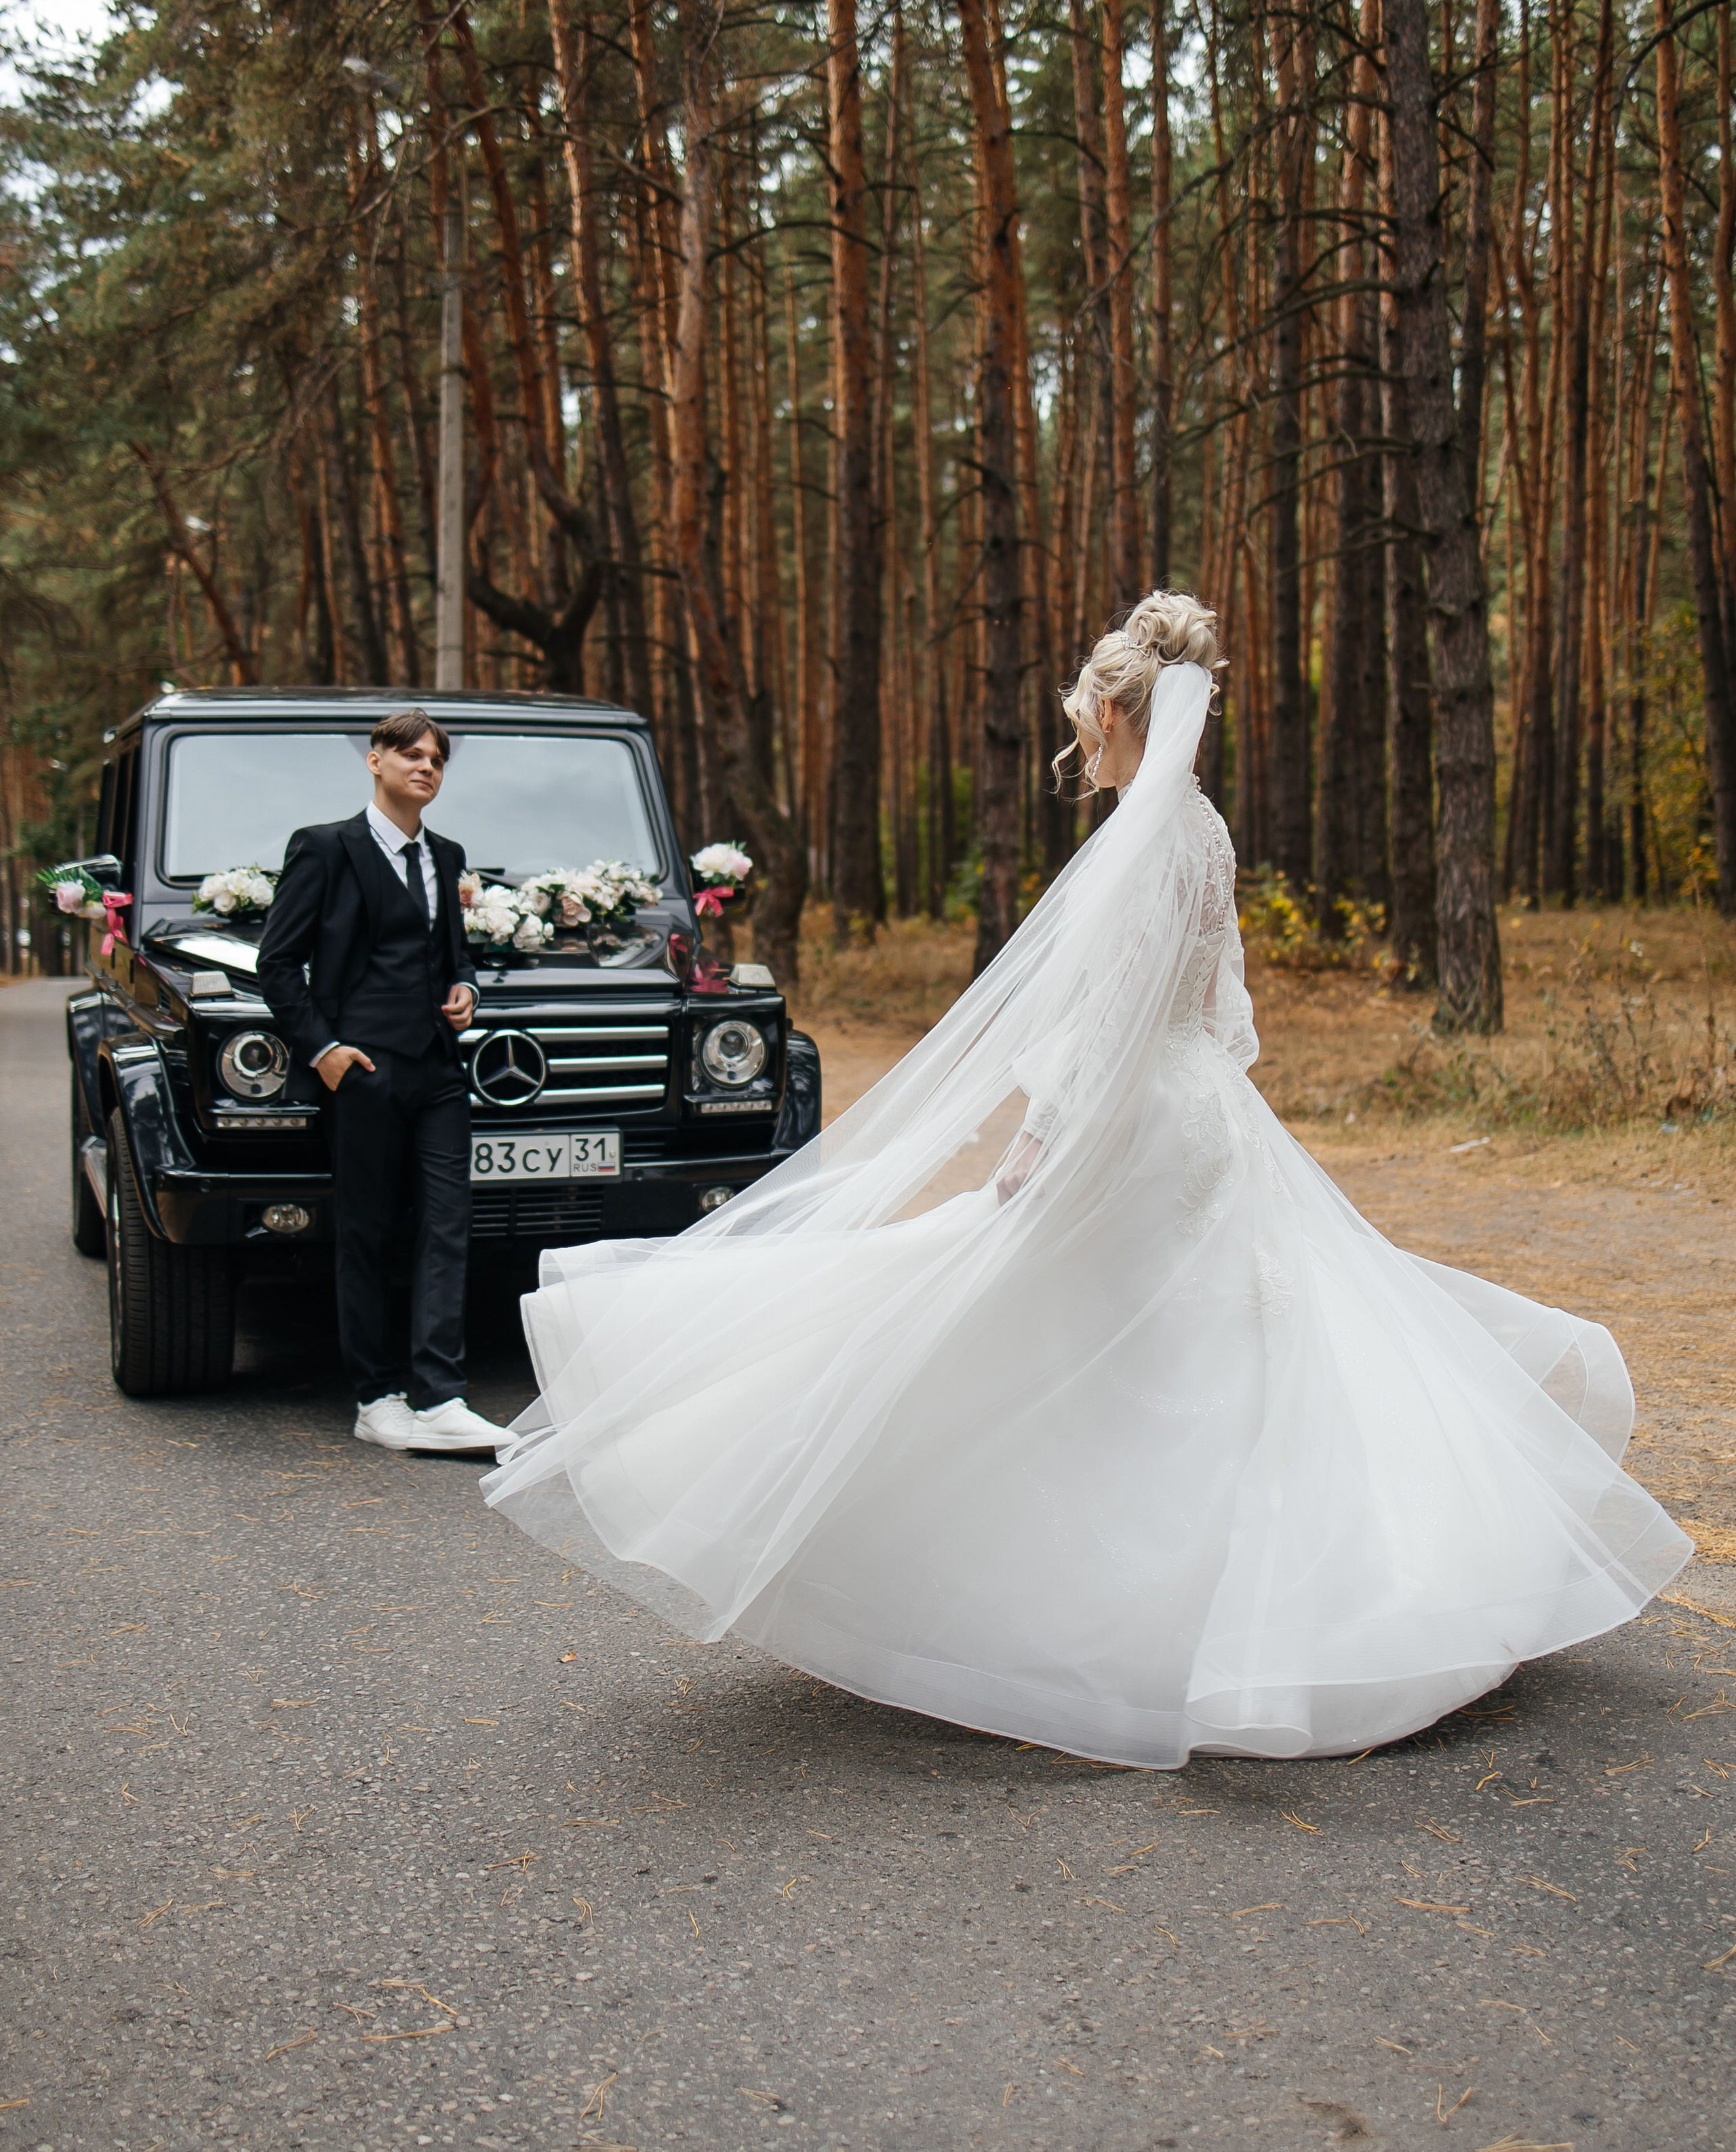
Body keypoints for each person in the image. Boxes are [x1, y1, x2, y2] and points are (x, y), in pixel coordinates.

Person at [481, 595, 1688, 1767]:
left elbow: (1113, 1016)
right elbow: (1221, 1015)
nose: (1077, 743)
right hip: (1201, 1115)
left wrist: (1041, 1136)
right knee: (1196, 1351)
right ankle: (1244, 1602)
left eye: (1083, 721)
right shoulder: (1203, 831)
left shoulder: (1147, 839)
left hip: (1135, 1124)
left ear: (1121, 713)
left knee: (1047, 1325)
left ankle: (1088, 1621)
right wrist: (1193, 1099)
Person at [259, 707, 508, 1458]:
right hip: (362, 1072)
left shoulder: (449, 855)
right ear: (375, 760)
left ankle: (441, 1396)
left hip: (437, 1070)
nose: (425, 767)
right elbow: (278, 964)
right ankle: (376, 1397)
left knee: (447, 1226)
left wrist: (465, 989)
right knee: (365, 1234)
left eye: (436, 758)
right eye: (411, 754)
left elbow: (449, 955)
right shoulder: (325, 849)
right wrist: (324, 1049)